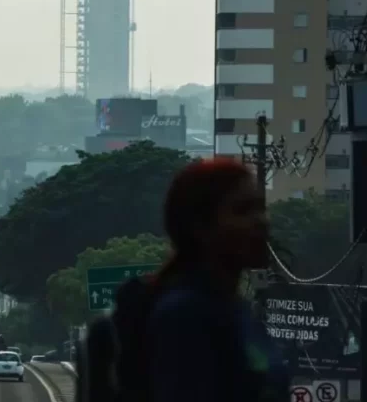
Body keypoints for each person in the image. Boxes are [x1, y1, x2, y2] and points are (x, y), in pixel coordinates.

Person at [77, 158, 289, 402]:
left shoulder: (234, 309)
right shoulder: (185, 314)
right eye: (242, 210)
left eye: (261, 208)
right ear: (199, 227)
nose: (261, 221)